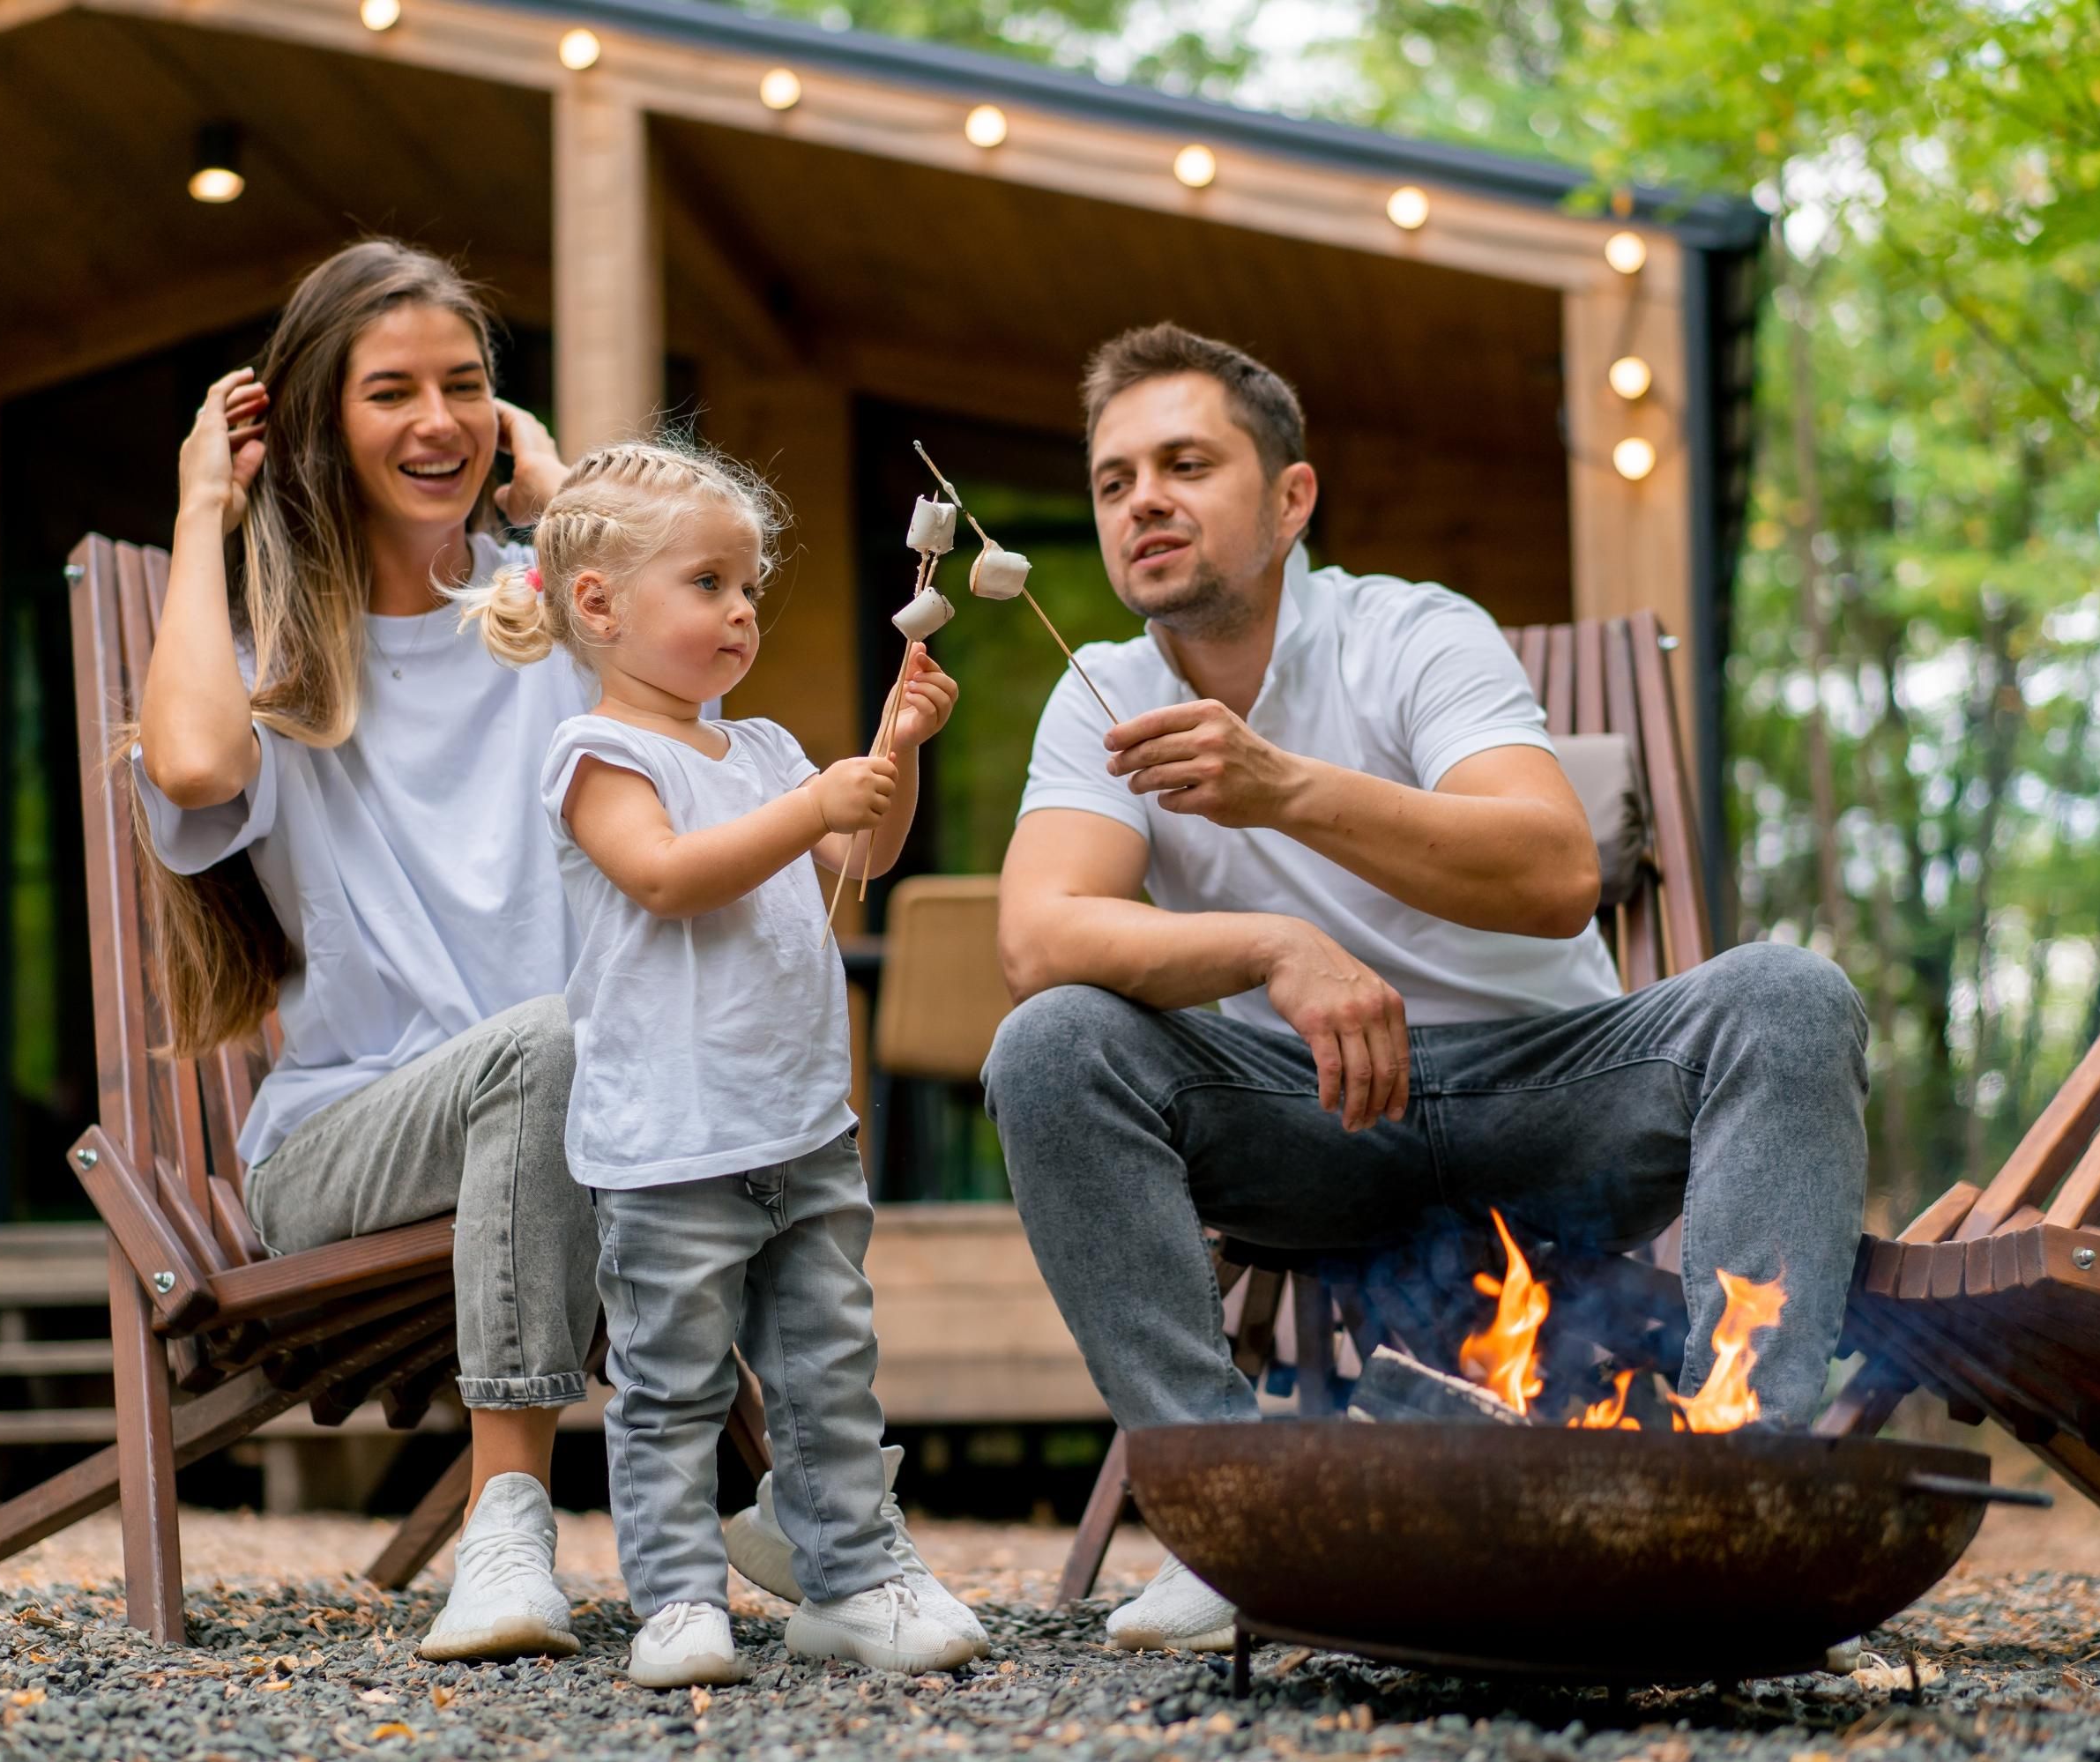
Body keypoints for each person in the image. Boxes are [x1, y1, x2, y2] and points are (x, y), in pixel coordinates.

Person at [984, 324, 1870, 1653]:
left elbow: (1555, 869)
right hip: (1309, 1124)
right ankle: (1237, 1523)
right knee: (1051, 1044)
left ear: (1291, 500)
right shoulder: (1099, 693)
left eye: (1184, 464)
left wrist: (1282, 788)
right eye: (1113, 482)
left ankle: (1734, 1506)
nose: (1142, 501)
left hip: (1555, 1096)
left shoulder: (1407, 631)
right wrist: (1269, 948)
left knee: (1789, 995)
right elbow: (1041, 936)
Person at [455, 437, 983, 1688]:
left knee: (829, 1372)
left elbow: (864, 860)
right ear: (599, 604)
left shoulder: (762, 754)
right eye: (707, 585)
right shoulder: (599, 757)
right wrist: (816, 805)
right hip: (668, 1144)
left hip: (801, 1131)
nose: (741, 611)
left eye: (748, 588)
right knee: (671, 1382)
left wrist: (893, 753)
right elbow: (665, 876)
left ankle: (851, 1580)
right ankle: (678, 1600)